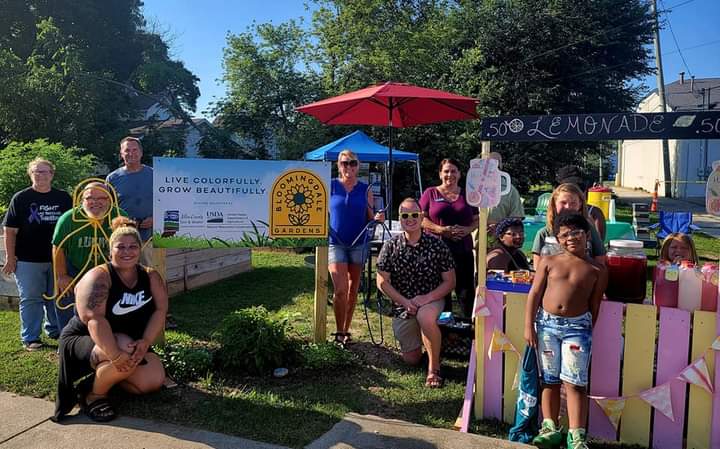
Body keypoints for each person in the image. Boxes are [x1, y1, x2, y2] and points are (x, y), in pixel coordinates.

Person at [54, 217, 167, 422]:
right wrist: (115, 355)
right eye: (120, 247)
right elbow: (94, 320)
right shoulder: (99, 277)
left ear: (140, 249)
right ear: (110, 250)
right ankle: (94, 396)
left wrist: (146, 342)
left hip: (128, 342)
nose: (127, 251)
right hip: (85, 338)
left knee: (151, 381)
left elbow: (160, 310)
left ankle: (98, 380)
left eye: (133, 246)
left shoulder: (151, 277)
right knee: (125, 347)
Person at [524, 213, 607, 449]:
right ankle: (550, 427)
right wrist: (528, 325)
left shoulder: (597, 269)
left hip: (577, 329)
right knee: (549, 379)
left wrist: (587, 329)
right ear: (558, 239)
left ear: (587, 235)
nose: (571, 238)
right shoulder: (549, 261)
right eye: (565, 234)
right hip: (546, 327)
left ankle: (576, 435)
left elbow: (595, 304)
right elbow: (535, 294)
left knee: (575, 382)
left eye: (576, 233)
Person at [376, 198, 456, 388]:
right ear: (400, 219)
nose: (410, 219)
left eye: (414, 215)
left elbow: (450, 281)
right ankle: (430, 340)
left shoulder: (437, 245)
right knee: (411, 360)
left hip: (431, 298)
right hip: (403, 303)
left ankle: (434, 368)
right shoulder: (391, 245)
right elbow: (382, 282)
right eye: (405, 215)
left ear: (421, 217)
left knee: (425, 317)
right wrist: (405, 302)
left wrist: (425, 299)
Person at [2, 158, 72, 350]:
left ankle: (56, 330)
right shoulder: (21, 198)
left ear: (52, 174)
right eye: (36, 172)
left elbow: (72, 227)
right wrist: (10, 257)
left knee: (56, 297)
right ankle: (31, 337)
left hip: (57, 258)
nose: (40, 175)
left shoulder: (63, 198)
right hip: (27, 259)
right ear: (30, 174)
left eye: (44, 171)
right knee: (31, 298)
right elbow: (9, 231)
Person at [52, 182, 126, 328]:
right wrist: (61, 275)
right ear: (82, 200)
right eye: (90, 198)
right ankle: (68, 341)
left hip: (106, 268)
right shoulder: (69, 218)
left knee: (111, 303)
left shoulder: (119, 216)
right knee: (65, 299)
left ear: (110, 200)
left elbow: (129, 245)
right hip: (75, 266)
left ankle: (107, 337)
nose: (96, 202)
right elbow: (58, 247)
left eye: (102, 198)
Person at [328, 149, 383, 345]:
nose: (349, 167)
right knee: (340, 290)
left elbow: (371, 215)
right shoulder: (331, 186)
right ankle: (339, 330)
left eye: (352, 163)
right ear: (338, 165)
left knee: (352, 290)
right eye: (345, 163)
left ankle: (346, 331)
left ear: (358, 166)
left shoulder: (366, 189)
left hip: (359, 243)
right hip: (336, 244)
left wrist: (377, 217)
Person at [420, 158, 479, 316]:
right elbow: (421, 219)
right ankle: (442, 332)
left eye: (453, 171)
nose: (449, 174)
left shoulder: (469, 194)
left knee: (466, 293)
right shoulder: (430, 193)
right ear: (440, 174)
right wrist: (440, 230)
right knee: (440, 294)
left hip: (463, 250)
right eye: (446, 171)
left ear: (459, 174)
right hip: (436, 251)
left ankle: (468, 331)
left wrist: (468, 230)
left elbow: (478, 218)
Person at [531, 183, 606, 269]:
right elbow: (537, 268)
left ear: (580, 204)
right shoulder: (543, 234)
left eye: (573, 203)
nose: (568, 207)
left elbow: (600, 260)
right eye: (563, 202)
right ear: (554, 204)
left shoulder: (589, 230)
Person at [106, 136, 154, 247]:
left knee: (149, 264)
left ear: (141, 152)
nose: (131, 153)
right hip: (123, 240)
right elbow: (108, 209)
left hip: (150, 238)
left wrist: (155, 219)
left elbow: (167, 203)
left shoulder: (155, 175)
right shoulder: (112, 178)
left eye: (134, 150)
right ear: (121, 154)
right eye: (127, 150)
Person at [556, 165, 607, 241]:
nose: (577, 191)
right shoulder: (555, 212)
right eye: (570, 188)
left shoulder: (593, 213)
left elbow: (599, 245)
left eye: (580, 187)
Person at [488, 152, 525, 224]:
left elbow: (516, 218)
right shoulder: (472, 189)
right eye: (489, 165)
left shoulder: (511, 191)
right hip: (475, 234)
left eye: (496, 165)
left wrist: (499, 227)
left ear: (501, 166)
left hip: (500, 234)